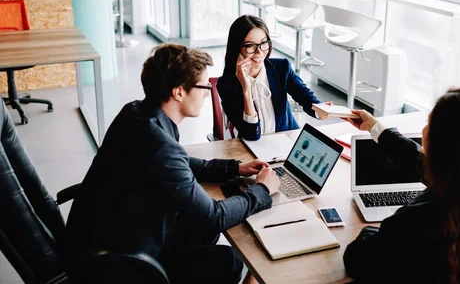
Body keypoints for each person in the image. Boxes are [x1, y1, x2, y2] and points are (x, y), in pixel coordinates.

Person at [65, 43, 280, 284]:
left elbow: (177, 162)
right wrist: (262, 190)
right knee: (230, 259)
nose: (209, 93)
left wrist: (233, 168)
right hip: (122, 263)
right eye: (204, 86)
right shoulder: (160, 146)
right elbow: (214, 215)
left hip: (104, 234)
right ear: (179, 92)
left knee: (204, 230)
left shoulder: (137, 114)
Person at [342, 88, 460, 284]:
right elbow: (417, 162)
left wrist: (372, 231)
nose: (424, 129)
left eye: (429, 123)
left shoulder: (410, 223)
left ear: (441, 142)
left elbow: (357, 261)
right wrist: (375, 128)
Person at [217, 15, 331, 140]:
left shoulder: (281, 67)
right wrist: (246, 90)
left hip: (286, 140)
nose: (259, 52)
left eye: (263, 43)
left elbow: (304, 96)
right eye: (250, 45)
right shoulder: (226, 84)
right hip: (253, 146)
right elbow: (251, 134)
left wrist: (322, 109)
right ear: (237, 47)